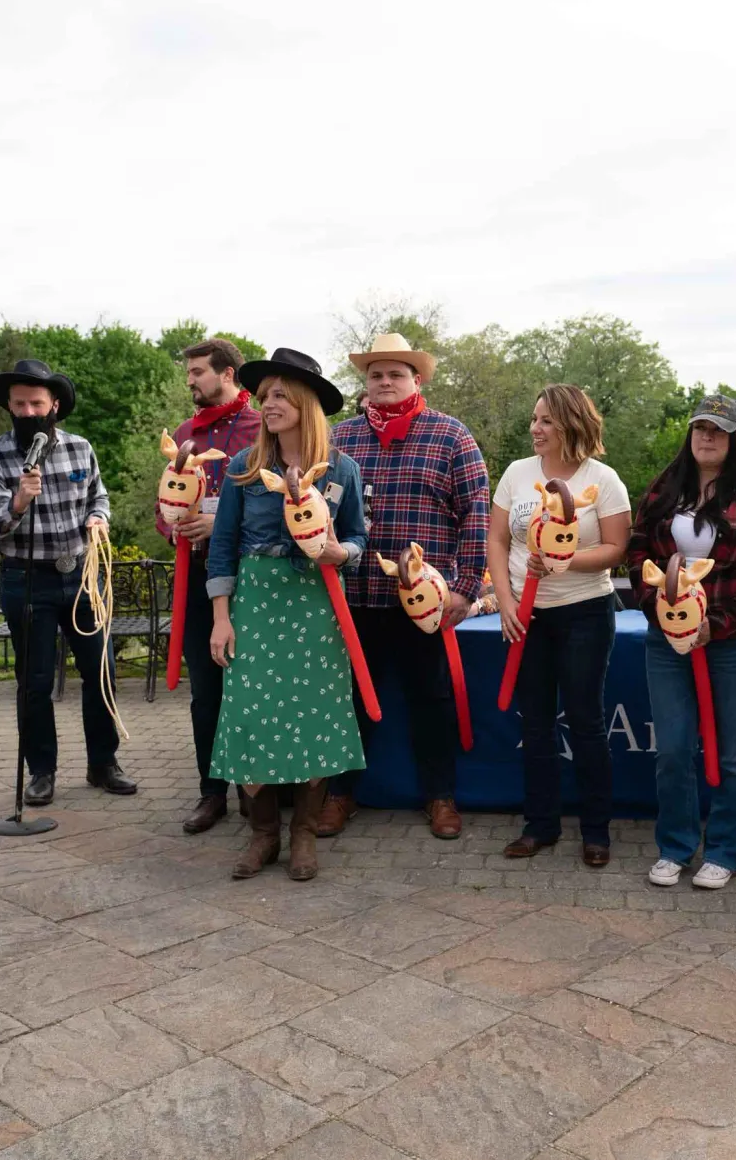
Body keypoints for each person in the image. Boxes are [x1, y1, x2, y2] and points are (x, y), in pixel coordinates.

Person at [206, 348, 368, 880]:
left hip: (317, 607)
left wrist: (338, 553)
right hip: (255, 604)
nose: (267, 403)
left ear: (304, 402)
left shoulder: (342, 468)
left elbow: (358, 541)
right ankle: (262, 834)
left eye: (279, 395)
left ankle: (303, 833)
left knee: (313, 719)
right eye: (265, 394)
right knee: (250, 719)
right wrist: (221, 617)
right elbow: (223, 546)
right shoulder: (243, 468)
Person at [324, 332, 490, 840]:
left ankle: (440, 797)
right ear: (366, 384)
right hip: (355, 596)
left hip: (424, 602)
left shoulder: (451, 435)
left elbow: (476, 514)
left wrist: (464, 587)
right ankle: (339, 795)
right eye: (376, 374)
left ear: (416, 380)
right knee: (349, 699)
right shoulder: (339, 440)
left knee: (431, 699)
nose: (385, 382)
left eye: (396, 373)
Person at [629, 393, 736, 889]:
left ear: (735, 437)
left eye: (718, 430)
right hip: (668, 639)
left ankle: (724, 849)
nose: (706, 436)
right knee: (674, 748)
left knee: (735, 753)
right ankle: (675, 847)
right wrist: (659, 608)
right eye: (700, 427)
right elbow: (638, 549)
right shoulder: (666, 484)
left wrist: (714, 624)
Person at [0, 358, 131, 807]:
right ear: (9, 405)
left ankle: (103, 763)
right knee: (35, 682)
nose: (27, 412)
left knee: (102, 673)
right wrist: (18, 502)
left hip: (81, 575)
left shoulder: (81, 448)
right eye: (19, 404)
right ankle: (41, 771)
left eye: (35, 404)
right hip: (26, 578)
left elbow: (98, 494)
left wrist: (99, 516)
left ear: (54, 405)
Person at [492, 384, 632, 867]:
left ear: (573, 424)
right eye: (535, 419)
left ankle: (596, 832)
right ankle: (540, 826)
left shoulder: (604, 479)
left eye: (547, 421)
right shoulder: (516, 474)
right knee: (535, 724)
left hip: (584, 614)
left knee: (587, 722)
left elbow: (616, 549)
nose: (535, 428)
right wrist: (506, 602)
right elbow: (495, 540)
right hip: (525, 617)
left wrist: (562, 562)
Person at [160, 338, 263, 835]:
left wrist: (216, 519)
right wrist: (176, 523)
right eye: (190, 372)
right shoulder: (184, 434)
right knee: (206, 687)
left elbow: (272, 504)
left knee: (255, 684)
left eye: (198, 371)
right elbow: (167, 503)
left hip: (256, 577)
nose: (191, 381)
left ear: (228, 374)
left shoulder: (263, 429)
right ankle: (210, 791)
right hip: (200, 577)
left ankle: (260, 789)